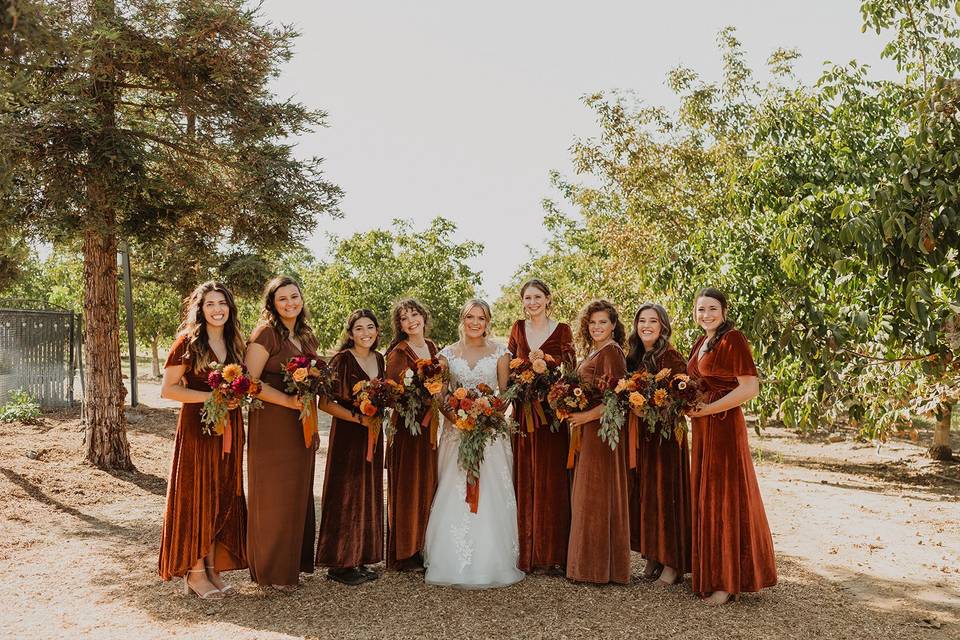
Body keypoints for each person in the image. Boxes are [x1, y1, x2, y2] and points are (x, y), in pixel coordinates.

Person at [423, 299, 524, 588]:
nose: (475, 322)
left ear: (488, 321)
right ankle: (450, 560)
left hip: (490, 435)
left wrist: (486, 418)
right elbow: (440, 395)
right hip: (456, 433)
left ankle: (492, 560)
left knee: (492, 492)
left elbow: (505, 395)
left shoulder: (501, 353)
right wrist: (458, 420)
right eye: (470, 317)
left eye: (481, 317)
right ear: (462, 319)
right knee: (453, 491)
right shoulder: (445, 355)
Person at [687, 287, 777, 605]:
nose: (706, 314)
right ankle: (710, 575)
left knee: (723, 498)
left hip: (723, 427)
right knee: (707, 498)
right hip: (702, 428)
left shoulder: (733, 339)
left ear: (724, 310)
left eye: (712, 308)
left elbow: (750, 387)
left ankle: (726, 582)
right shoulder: (702, 342)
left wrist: (708, 409)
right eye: (700, 309)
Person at [158, 281, 247, 598]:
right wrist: (212, 396)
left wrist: (236, 398)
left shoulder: (234, 343)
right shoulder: (188, 341)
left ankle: (211, 568)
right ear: (200, 308)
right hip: (199, 429)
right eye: (210, 303)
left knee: (221, 494)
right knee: (199, 496)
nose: (217, 309)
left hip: (231, 428)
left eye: (222, 302)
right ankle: (195, 573)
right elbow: (169, 389)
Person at [245, 275, 319, 590]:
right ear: (272, 304)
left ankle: (290, 568)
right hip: (273, 421)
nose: (290, 303)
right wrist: (288, 400)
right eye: (283, 299)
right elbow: (249, 381)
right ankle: (271, 572)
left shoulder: (306, 335)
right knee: (274, 494)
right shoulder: (266, 334)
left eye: (294, 296)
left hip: (301, 421)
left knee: (297, 492)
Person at [507, 279, 576, 574]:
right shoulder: (517, 328)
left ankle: (552, 554)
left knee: (552, 480)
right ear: (522, 301)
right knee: (525, 476)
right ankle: (526, 554)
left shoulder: (563, 330)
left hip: (552, 416)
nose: (532, 302)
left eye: (538, 297)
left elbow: (571, 371)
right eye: (527, 298)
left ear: (548, 299)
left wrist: (551, 382)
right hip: (524, 413)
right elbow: (509, 367)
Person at [315, 309, 386, 585]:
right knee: (346, 493)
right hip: (348, 434)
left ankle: (360, 557)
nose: (365, 333)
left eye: (370, 327)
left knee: (368, 491)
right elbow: (325, 403)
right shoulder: (342, 360)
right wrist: (358, 417)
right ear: (350, 333)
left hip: (373, 433)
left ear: (377, 331)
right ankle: (340, 562)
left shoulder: (379, 359)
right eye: (359, 328)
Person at [565, 300, 630, 584]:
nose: (597, 327)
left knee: (596, 492)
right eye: (592, 323)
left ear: (613, 325)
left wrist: (586, 416)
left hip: (602, 430)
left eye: (603, 322)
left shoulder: (612, 352)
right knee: (588, 491)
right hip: (589, 429)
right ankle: (588, 563)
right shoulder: (595, 351)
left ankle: (596, 567)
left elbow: (617, 397)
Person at [625, 303, 691, 586]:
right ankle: (653, 554)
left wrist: (651, 409)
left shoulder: (672, 357)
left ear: (663, 326)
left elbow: (681, 399)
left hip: (666, 438)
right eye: (642, 320)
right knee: (646, 494)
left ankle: (672, 563)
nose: (646, 326)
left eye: (653, 321)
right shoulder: (636, 356)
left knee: (666, 495)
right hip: (644, 436)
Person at [384, 298, 439, 571]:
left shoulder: (431, 347)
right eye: (404, 318)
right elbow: (392, 395)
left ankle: (420, 545)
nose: (411, 321)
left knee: (426, 485)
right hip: (407, 428)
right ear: (400, 325)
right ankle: (403, 552)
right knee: (407, 487)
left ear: (423, 317)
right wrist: (416, 395)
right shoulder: (399, 353)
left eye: (414, 314)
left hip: (428, 428)